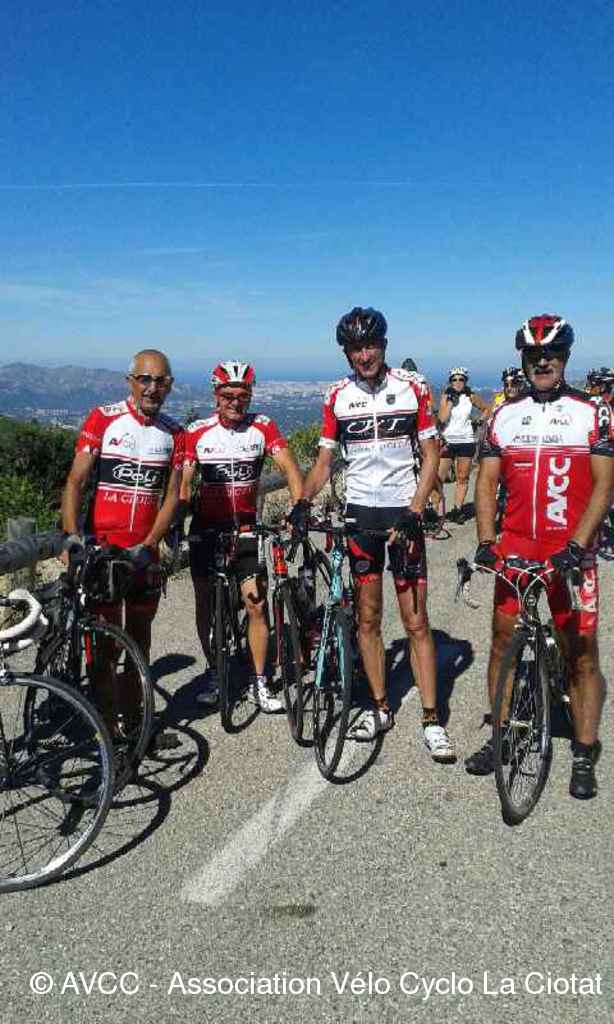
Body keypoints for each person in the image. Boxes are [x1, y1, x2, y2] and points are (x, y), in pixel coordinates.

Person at [290, 307, 455, 761]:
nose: (364, 355)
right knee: (368, 619)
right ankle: (380, 708)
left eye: (370, 346)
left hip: (403, 517)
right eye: (355, 348)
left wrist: (416, 509)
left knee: (416, 622)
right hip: (361, 517)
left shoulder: (412, 386)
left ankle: (431, 719)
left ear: (384, 345)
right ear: (346, 353)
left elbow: (431, 452)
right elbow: (324, 462)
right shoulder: (337, 396)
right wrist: (302, 501)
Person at [466, 314, 614, 799]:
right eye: (533, 355)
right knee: (500, 643)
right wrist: (486, 541)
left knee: (581, 654)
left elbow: (605, 485)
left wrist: (578, 545)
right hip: (516, 548)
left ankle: (584, 751)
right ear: (524, 360)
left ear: (565, 357)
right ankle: (502, 736)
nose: (542, 361)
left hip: (570, 554)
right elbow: (486, 482)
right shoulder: (504, 415)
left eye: (550, 353)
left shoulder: (592, 412)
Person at [61, 349, 184, 740]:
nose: (152, 388)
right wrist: (72, 537)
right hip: (104, 551)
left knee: (139, 641)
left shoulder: (175, 433)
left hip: (144, 553)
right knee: (104, 647)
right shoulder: (103, 418)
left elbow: (173, 497)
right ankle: (107, 730)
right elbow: (76, 481)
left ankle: (135, 726)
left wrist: (151, 543)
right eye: (144, 379)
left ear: (169, 386)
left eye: (160, 381)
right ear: (130, 381)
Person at [181, 361, 303, 711]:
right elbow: (184, 485)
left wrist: (298, 507)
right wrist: (175, 522)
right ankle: (215, 672)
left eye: (242, 396)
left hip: (246, 528)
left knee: (256, 603)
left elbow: (289, 468)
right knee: (206, 604)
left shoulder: (263, 426)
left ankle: (259, 680)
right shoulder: (197, 432)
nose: (235, 402)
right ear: (216, 396)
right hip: (207, 529)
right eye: (228, 396)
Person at [438, 367, 489, 522]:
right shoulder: (445, 396)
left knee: (462, 478)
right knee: (438, 478)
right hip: (448, 441)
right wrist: (450, 402)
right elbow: (442, 418)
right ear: (450, 382)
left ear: (465, 381)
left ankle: (457, 510)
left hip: (466, 440)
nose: (458, 382)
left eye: (461, 379)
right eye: (454, 379)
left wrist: (478, 421)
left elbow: (487, 409)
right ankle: (436, 511)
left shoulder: (470, 396)